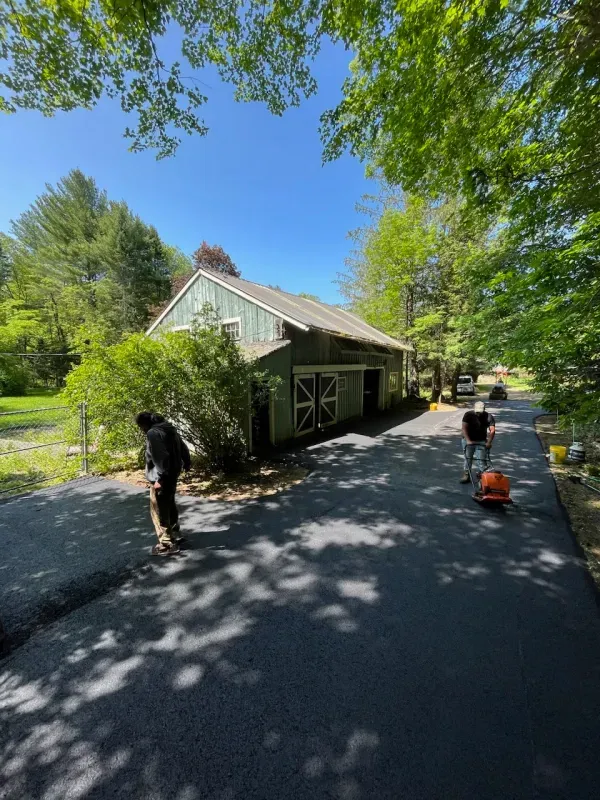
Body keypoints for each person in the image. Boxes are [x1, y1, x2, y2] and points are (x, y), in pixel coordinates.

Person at [135, 412, 191, 556]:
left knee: (158, 508)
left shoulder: (153, 433)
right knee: (169, 503)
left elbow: (161, 456)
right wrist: (187, 462)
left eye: (141, 427)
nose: (141, 430)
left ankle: (167, 543)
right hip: (172, 473)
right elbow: (183, 447)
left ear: (145, 424)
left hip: (162, 477)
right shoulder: (169, 429)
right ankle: (176, 534)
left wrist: (160, 478)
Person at [460, 400, 496, 484]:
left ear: (484, 409)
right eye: (477, 412)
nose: (478, 414)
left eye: (480, 412)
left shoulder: (489, 417)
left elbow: (492, 430)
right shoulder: (468, 415)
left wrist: (489, 442)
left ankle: (483, 476)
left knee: (481, 459)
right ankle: (466, 475)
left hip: (481, 441)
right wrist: (468, 440)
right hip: (468, 441)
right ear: (474, 409)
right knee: (468, 458)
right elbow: (464, 428)